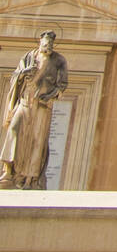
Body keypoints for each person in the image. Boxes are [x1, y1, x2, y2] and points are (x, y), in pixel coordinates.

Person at [0, 31, 69, 189]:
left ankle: (31, 178)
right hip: (24, 102)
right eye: (46, 44)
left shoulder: (59, 61)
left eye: (51, 44)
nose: (48, 46)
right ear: (40, 42)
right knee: (14, 130)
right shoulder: (29, 56)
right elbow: (15, 76)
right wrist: (23, 74)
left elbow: (62, 84)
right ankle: (8, 171)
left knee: (38, 140)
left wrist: (51, 96)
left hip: (42, 106)